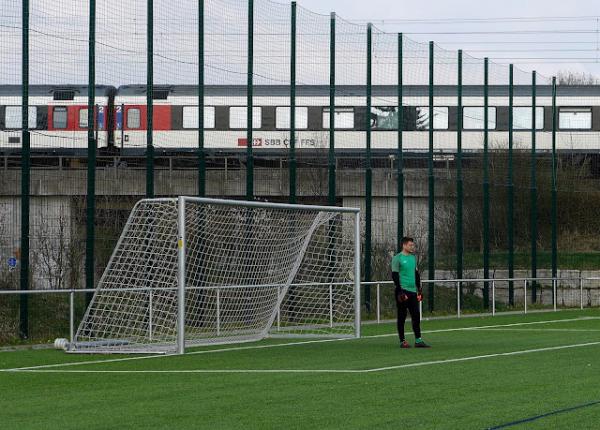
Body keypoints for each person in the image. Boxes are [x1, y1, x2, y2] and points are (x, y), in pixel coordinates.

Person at [391, 237, 430, 348]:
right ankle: (402, 341)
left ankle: (418, 340)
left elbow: (416, 274)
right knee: (402, 316)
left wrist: (419, 289)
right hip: (403, 291)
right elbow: (394, 275)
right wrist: (400, 291)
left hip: (413, 291)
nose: (412, 247)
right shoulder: (397, 258)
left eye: (413, 245)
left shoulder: (413, 258)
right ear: (404, 245)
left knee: (416, 316)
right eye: (410, 245)